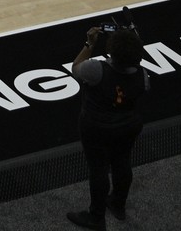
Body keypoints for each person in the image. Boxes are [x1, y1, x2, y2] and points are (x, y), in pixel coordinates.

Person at [67, 26, 149, 230]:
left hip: (97, 127)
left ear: (111, 50)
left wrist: (90, 44)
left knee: (98, 169)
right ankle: (118, 204)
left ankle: (96, 217)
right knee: (122, 162)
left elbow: (76, 66)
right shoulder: (143, 76)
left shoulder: (96, 70)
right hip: (128, 126)